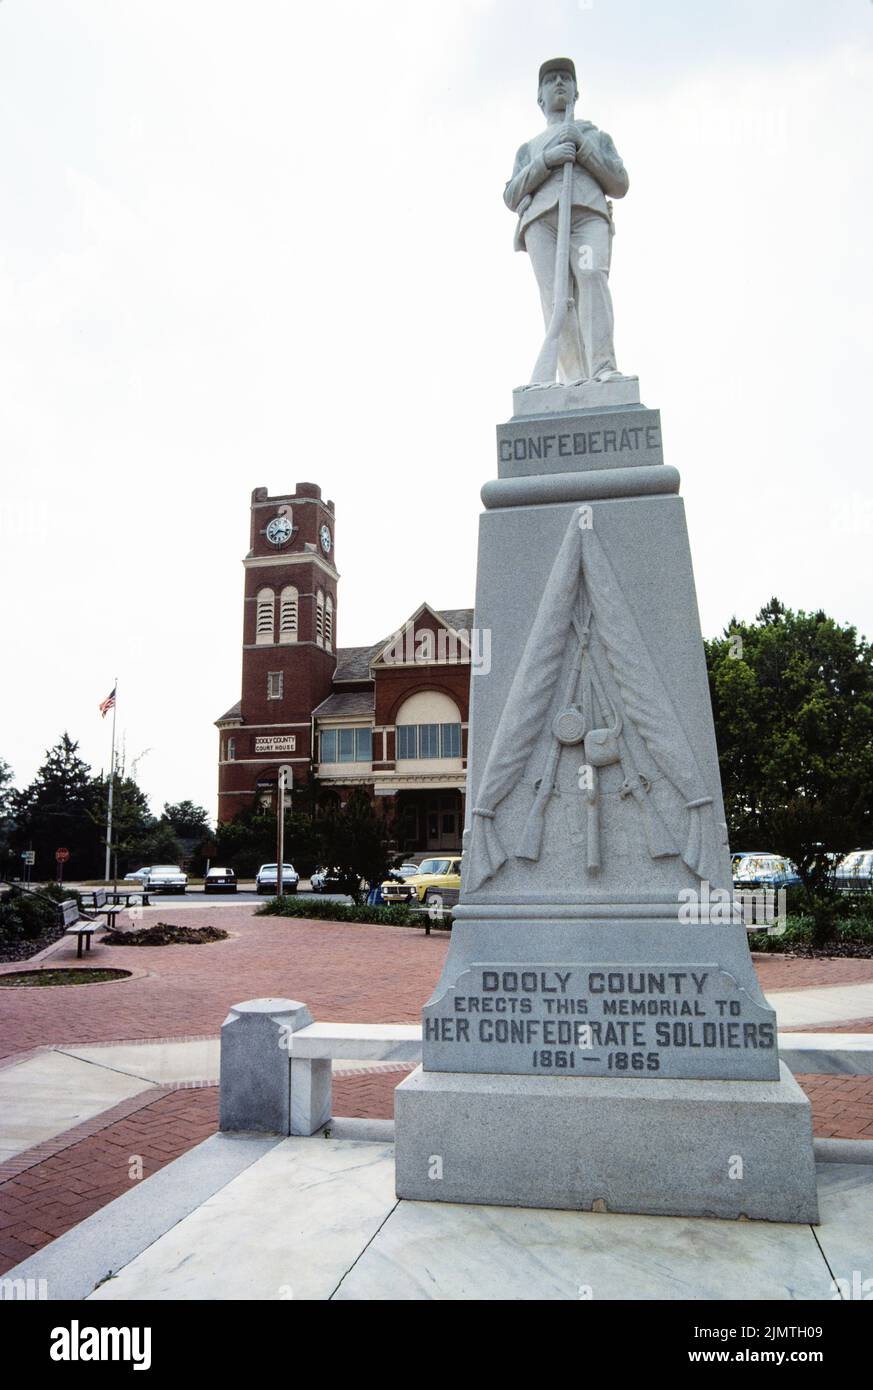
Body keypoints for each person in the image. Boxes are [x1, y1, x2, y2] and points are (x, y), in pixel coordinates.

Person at [504, 57, 629, 384]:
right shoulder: (528, 149)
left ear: (576, 92)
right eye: (551, 80)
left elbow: (619, 183)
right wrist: (547, 160)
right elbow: (510, 194)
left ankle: (602, 367)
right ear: (540, 97)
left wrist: (583, 148)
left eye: (565, 78)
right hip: (542, 224)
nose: (559, 83)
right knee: (556, 298)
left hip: (586, 217)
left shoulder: (594, 135)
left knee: (591, 279)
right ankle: (573, 378)